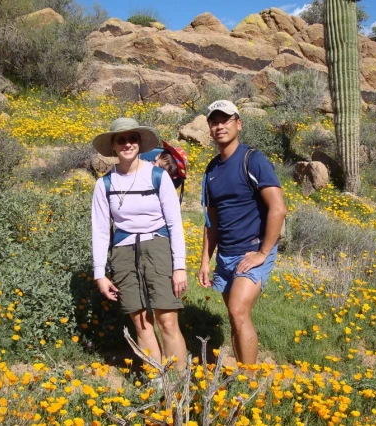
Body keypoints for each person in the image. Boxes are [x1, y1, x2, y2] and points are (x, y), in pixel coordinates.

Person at [91, 117, 188, 370]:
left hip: (157, 248)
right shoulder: (104, 185)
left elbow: (175, 223)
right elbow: (101, 230)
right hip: (123, 252)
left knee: (167, 320)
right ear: (113, 145)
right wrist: (100, 274)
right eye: (121, 140)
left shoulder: (158, 177)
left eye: (132, 138)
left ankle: (180, 385)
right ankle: (158, 384)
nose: (127, 144)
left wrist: (179, 267)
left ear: (140, 143)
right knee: (141, 322)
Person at [198, 100, 287, 366]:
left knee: (238, 311)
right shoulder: (212, 169)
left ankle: (247, 384)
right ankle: (241, 373)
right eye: (214, 121)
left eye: (225, 120)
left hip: (252, 251)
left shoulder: (253, 160)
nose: (219, 126)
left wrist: (263, 252)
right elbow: (211, 219)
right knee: (235, 316)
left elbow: (278, 208)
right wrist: (205, 260)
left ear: (238, 123)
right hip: (226, 255)